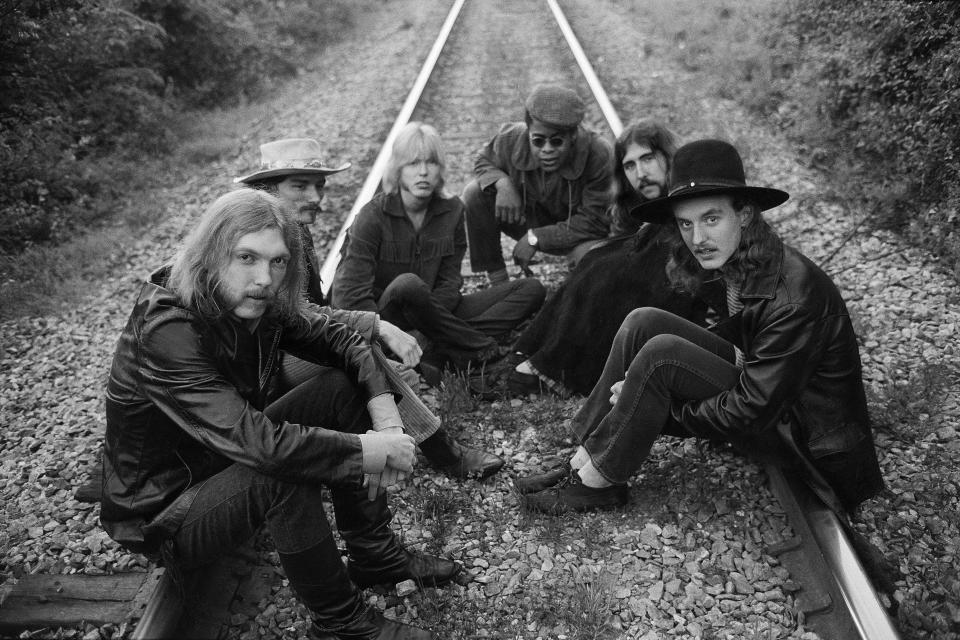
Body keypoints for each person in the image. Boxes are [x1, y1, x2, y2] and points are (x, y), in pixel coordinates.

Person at [100, 189, 460, 639]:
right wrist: (365, 451)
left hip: (219, 461)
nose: (265, 277)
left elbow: (343, 341)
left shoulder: (257, 303)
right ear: (210, 256)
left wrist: (385, 418)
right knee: (280, 471)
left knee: (338, 386)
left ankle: (374, 554)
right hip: (167, 510)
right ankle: (341, 623)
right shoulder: (167, 330)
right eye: (246, 257)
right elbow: (260, 445)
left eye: (278, 262)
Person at [517, 139, 884, 521]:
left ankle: (599, 482)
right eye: (686, 224)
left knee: (660, 358)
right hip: (771, 395)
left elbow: (751, 411)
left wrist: (649, 402)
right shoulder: (747, 258)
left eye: (711, 219)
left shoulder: (794, 298)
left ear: (743, 214)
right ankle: (585, 456)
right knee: (644, 322)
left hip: (804, 436)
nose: (697, 239)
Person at [237, 138, 504, 480]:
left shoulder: (294, 231)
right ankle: (443, 452)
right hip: (263, 368)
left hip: (282, 351)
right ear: (266, 190)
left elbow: (310, 314)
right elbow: (297, 316)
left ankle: (385, 444)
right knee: (359, 350)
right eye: (300, 186)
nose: (316, 198)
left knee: (362, 352)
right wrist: (378, 326)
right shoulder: (256, 242)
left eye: (319, 186)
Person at [509, 120, 706, 397]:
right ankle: (536, 352)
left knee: (608, 273)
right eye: (630, 166)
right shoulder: (642, 204)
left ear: (668, 156)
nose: (640, 173)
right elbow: (625, 236)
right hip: (660, 261)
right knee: (595, 260)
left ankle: (555, 369)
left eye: (648, 159)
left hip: (684, 283)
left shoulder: (690, 194)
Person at [331, 122, 546, 371]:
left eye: (431, 163)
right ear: (397, 170)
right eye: (413, 163)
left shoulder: (452, 210)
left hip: (435, 313)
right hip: (385, 320)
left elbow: (450, 284)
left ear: (440, 168)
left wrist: (427, 326)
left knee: (531, 290)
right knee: (407, 284)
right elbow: (348, 298)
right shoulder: (372, 216)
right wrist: (389, 333)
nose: (423, 172)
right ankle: (483, 350)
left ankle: (435, 349)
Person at [460, 84, 615, 283]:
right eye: (538, 141)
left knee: (590, 257)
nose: (547, 149)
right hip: (527, 218)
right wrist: (502, 183)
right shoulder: (511, 138)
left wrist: (536, 237)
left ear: (573, 136)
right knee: (474, 193)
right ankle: (498, 282)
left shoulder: (599, 154)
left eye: (557, 141)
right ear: (528, 133)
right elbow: (483, 160)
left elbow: (594, 221)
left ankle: (577, 296)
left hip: (577, 232)